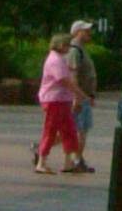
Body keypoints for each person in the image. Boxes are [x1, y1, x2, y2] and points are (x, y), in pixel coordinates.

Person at [34, 32, 87, 174]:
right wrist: (80, 93)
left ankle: (72, 162)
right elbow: (64, 81)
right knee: (50, 130)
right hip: (54, 100)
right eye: (67, 45)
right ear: (61, 45)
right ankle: (41, 162)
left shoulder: (59, 59)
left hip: (62, 100)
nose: (69, 47)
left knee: (69, 130)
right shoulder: (54, 60)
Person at [67, 18, 99, 171]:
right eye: (86, 30)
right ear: (78, 32)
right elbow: (73, 75)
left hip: (85, 96)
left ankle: (41, 149)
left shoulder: (81, 49)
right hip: (80, 97)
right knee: (80, 130)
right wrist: (77, 98)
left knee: (76, 130)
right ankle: (76, 160)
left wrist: (91, 95)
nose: (89, 33)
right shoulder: (74, 50)